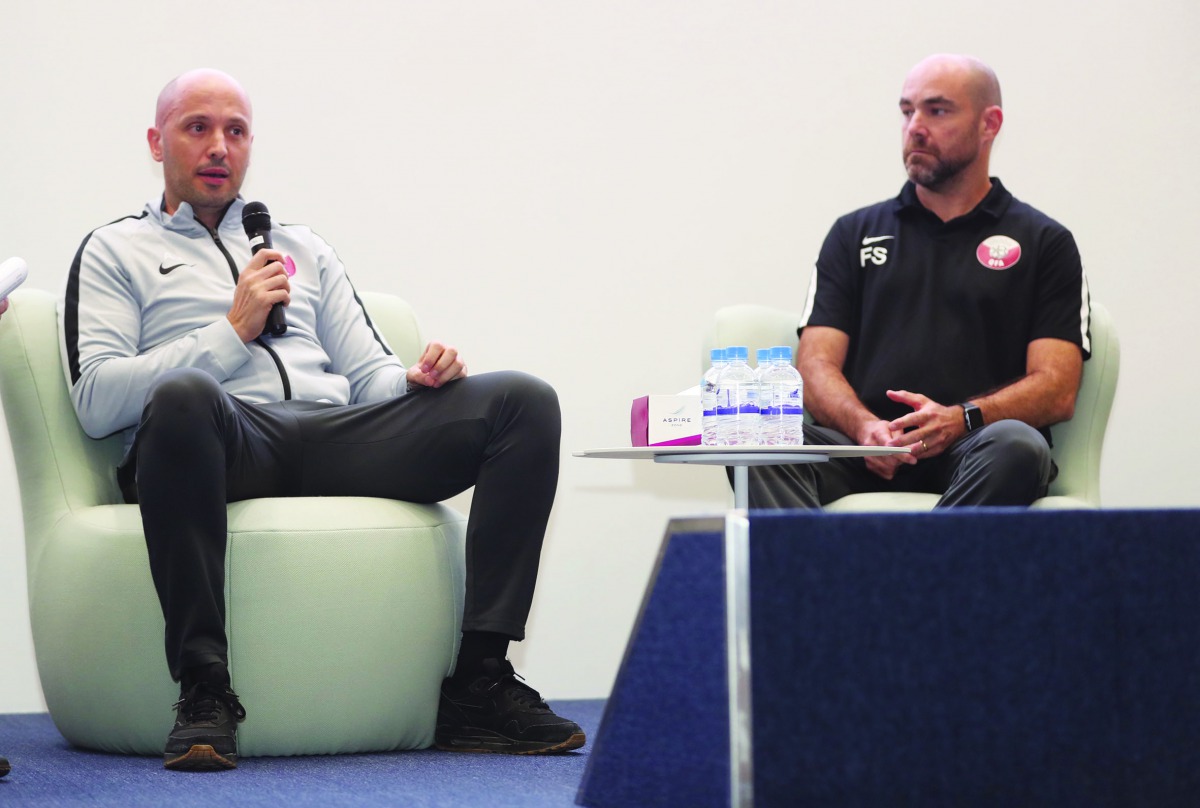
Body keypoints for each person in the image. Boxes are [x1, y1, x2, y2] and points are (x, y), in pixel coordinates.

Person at [60, 68, 583, 771]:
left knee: (524, 399)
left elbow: (368, 375)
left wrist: (415, 381)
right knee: (184, 394)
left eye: (235, 131)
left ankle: (480, 682)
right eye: (198, 128)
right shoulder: (114, 250)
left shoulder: (301, 246)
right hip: (220, 440)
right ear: (157, 143)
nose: (219, 146)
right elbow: (96, 402)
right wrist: (230, 332)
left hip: (332, 436)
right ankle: (204, 687)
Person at [750, 54, 1089, 509]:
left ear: (990, 124)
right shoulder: (853, 233)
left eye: (938, 110)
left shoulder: (1045, 241)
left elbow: (1057, 386)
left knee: (1018, 447)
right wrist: (864, 429)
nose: (915, 127)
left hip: (973, 448)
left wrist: (961, 419)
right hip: (862, 450)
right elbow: (814, 365)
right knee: (761, 440)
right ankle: (817, 579)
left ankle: (916, 574)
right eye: (908, 111)